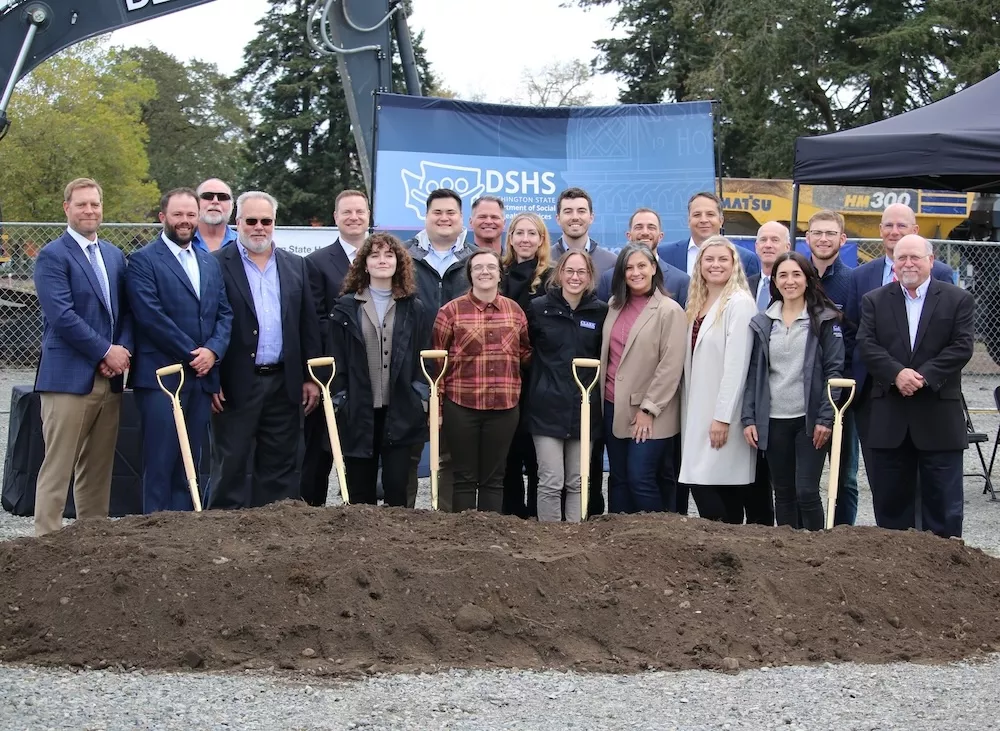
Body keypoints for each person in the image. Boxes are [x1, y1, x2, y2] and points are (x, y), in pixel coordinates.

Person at [31, 178, 133, 537]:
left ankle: (93, 541)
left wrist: (119, 353)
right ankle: (45, 543)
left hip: (110, 378)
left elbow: (125, 313)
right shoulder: (52, 256)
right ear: (66, 208)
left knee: (98, 468)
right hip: (67, 379)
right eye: (81, 204)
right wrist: (105, 351)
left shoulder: (114, 255)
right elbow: (62, 316)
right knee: (58, 468)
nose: (89, 210)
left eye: (95, 204)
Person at [208, 191, 322, 509]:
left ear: (274, 223)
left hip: (284, 383)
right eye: (252, 221)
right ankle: (222, 534)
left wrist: (310, 377)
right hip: (234, 383)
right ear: (238, 222)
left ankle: (277, 538)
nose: (259, 227)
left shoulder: (296, 266)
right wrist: (212, 378)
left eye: (266, 221)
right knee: (230, 464)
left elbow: (307, 326)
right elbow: (208, 324)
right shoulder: (215, 264)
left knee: (282, 467)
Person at [856, 234, 974, 539]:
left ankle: (948, 573)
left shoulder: (957, 299)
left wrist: (921, 376)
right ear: (894, 263)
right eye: (901, 257)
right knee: (891, 506)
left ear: (931, 261)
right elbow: (867, 345)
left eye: (915, 257)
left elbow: (961, 347)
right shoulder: (875, 300)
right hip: (890, 419)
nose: (908, 263)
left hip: (938, 417)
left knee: (944, 506)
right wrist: (897, 374)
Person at [126, 188, 233, 513]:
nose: (185, 221)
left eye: (190, 215)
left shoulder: (208, 262)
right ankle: (155, 535)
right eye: (178, 215)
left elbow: (224, 313)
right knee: (161, 460)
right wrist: (194, 355)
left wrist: (213, 352)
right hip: (161, 378)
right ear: (163, 218)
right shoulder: (143, 261)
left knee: (191, 463)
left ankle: (184, 540)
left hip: (200, 380)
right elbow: (150, 316)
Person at [846, 203, 954, 487]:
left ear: (915, 230)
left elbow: (948, 335)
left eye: (901, 226)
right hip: (874, 391)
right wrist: (891, 372)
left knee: (926, 481)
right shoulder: (860, 276)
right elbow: (857, 334)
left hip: (924, 389)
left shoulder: (941, 273)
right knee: (886, 480)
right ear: (880, 230)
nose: (894, 232)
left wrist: (917, 377)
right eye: (888, 226)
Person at [742, 251, 845, 530]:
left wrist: (826, 418)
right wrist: (749, 418)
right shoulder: (763, 321)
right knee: (783, 493)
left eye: (796, 274)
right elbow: (754, 374)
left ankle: (815, 548)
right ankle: (788, 554)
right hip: (774, 421)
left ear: (808, 279)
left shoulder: (825, 319)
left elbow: (834, 372)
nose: (790, 281)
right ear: (774, 281)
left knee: (806, 491)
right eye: (783, 275)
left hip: (809, 420)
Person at [328, 233, 431, 505]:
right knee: (360, 491)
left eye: (389, 255)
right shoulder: (346, 308)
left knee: (398, 487)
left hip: (401, 409)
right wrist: (342, 399)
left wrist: (419, 396)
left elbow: (424, 358)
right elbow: (336, 358)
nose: (382, 260)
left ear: (399, 262)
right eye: (374, 255)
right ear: (364, 264)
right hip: (358, 410)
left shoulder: (414, 308)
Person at [432, 249, 531, 513]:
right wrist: (438, 408)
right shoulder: (450, 312)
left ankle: (489, 540)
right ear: (470, 274)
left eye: (491, 267)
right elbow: (437, 365)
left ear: (500, 274)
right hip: (461, 405)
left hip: (504, 407)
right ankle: (463, 539)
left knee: (494, 477)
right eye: (478, 268)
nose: (485, 272)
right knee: (463, 476)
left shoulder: (515, 311)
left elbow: (525, 353)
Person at [600, 243, 686, 513]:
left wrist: (649, 409)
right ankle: (619, 541)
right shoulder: (614, 306)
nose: (635, 272)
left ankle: (659, 541)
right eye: (628, 267)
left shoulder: (669, 310)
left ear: (653, 268)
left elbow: (670, 366)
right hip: (614, 405)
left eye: (641, 266)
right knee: (619, 479)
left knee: (641, 478)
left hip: (650, 412)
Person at [407, 188, 478, 511]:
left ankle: (449, 525)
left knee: (453, 452)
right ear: (426, 216)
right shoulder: (404, 257)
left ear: (461, 219)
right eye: (438, 212)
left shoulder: (476, 260)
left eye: (451, 213)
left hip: (460, 371)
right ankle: (401, 522)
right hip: (411, 366)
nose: (444, 218)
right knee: (407, 448)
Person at [678, 235, 757, 524]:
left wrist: (722, 418)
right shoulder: (697, 302)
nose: (715, 265)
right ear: (699, 265)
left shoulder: (739, 303)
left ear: (734, 263)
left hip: (722, 416)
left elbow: (737, 365)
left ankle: (730, 554)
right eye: (709, 259)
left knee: (715, 491)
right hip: (697, 412)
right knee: (707, 485)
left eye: (723, 259)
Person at [526, 250, 607, 522]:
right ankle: (549, 543)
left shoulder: (600, 312)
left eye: (581, 272)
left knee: (578, 480)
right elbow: (525, 353)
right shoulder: (538, 309)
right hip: (547, 408)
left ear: (589, 276)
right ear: (560, 273)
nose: (575, 277)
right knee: (550, 481)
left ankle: (574, 543)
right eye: (569, 271)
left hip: (584, 409)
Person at [301, 189, 370, 507]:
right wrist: (317, 371)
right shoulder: (316, 263)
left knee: (362, 449)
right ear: (336, 218)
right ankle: (310, 511)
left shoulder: (386, 259)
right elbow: (313, 320)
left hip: (372, 371)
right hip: (331, 372)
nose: (354, 217)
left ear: (369, 216)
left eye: (360, 211)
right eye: (347, 212)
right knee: (319, 449)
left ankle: (358, 510)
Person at [804, 210, 859, 526]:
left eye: (830, 233)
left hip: (843, 393)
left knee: (845, 475)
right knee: (803, 476)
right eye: (817, 233)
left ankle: (843, 537)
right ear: (807, 237)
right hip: (801, 393)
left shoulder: (854, 281)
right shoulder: (795, 274)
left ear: (842, 239)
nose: (823, 239)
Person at [499, 212, 553, 518]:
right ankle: (511, 517)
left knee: (535, 453)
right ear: (510, 238)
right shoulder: (499, 274)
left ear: (541, 239)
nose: (525, 239)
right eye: (519, 233)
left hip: (538, 375)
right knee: (507, 452)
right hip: (505, 375)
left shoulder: (551, 278)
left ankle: (536, 515)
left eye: (532, 234)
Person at [742, 220, 792, 526]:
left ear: (788, 246)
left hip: (782, 395)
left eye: (776, 239)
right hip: (747, 390)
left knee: (784, 479)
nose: (769, 245)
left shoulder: (795, 286)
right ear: (756, 246)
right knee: (753, 473)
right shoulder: (743, 285)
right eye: (763, 240)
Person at [596, 208, 690, 308]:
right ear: (629, 235)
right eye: (639, 227)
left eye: (651, 227)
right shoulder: (609, 278)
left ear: (660, 236)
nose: (645, 232)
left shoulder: (681, 281)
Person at [658, 192, 760, 279]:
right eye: (697, 215)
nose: (703, 220)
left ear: (721, 221)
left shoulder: (745, 259)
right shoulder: (664, 255)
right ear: (688, 221)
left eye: (710, 214)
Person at [550, 187, 617, 278]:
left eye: (581, 211)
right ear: (558, 219)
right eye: (568, 211)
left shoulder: (611, 262)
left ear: (591, 217)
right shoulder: (544, 260)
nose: (575, 217)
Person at [192, 179, 238, 253]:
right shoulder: (178, 242)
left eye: (223, 197)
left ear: (232, 206)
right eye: (207, 196)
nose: (215, 201)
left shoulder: (243, 244)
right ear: (195, 202)